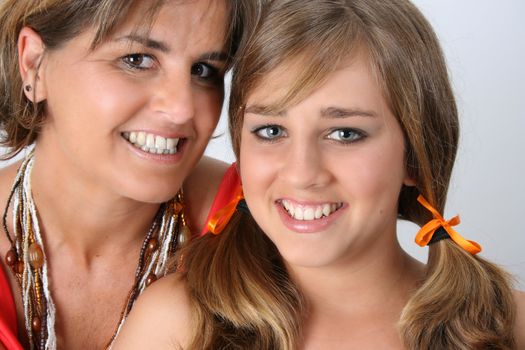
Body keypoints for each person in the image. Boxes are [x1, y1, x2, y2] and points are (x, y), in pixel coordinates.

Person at [113, 0, 525, 349]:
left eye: (345, 133)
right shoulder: (177, 326)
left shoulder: (511, 325)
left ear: (415, 156)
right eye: (271, 131)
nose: (302, 172)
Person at [0, 0, 255, 349]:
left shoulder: (263, 222)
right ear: (34, 64)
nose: (182, 109)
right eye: (137, 59)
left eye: (203, 70)